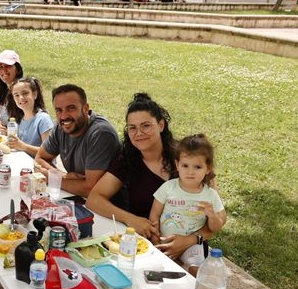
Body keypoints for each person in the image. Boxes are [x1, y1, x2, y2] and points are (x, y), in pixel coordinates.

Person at [86, 93, 214, 259]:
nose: (139, 133)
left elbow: (214, 219)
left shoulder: (189, 160)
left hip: (190, 249)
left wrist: (190, 240)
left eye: (146, 126)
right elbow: (94, 199)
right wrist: (131, 219)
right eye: (132, 127)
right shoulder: (128, 160)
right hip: (145, 245)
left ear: (161, 125)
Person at [148, 134, 226, 275]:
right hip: (164, 240)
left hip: (192, 244)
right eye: (185, 165)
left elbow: (216, 227)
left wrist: (212, 216)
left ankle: (193, 274)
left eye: (197, 167)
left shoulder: (210, 195)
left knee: (195, 265)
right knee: (157, 268)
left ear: (208, 168)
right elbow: (155, 213)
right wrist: (155, 238)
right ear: (177, 165)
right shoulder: (168, 187)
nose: (190, 172)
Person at [34, 84, 120, 198]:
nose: (64, 116)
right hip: (79, 197)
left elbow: (90, 189)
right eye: (59, 110)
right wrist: (61, 175)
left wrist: (50, 177)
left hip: (110, 206)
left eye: (71, 108)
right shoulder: (61, 127)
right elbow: (40, 158)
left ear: (85, 109)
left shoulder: (100, 134)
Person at [2, 77, 53, 157]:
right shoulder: (20, 118)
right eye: (16, 95)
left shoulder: (43, 119)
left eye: (25, 93)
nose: (21, 98)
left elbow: (49, 153)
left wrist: (23, 146)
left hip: (39, 166)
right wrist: (6, 133)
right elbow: (18, 143)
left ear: (35, 94)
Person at [0, 49, 22, 126]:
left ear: (17, 69)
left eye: (8, 66)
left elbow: (23, 127)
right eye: (0, 67)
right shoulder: (6, 91)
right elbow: (5, 124)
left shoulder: (21, 92)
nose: (4, 70)